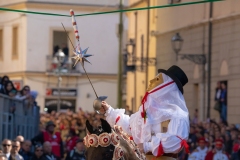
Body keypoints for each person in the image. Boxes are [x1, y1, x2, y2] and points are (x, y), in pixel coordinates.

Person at [100, 65, 190, 160]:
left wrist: (147, 146)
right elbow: (131, 127)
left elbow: (175, 142)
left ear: (167, 86)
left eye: (157, 79)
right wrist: (109, 111)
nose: (151, 81)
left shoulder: (177, 116)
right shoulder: (148, 111)